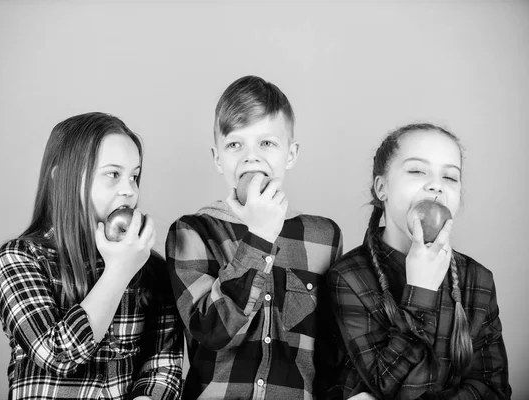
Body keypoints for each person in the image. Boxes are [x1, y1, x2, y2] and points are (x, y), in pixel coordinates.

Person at [166, 75, 343, 399]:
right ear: (218, 157)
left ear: (290, 154)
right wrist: (259, 237)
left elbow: (332, 352)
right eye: (236, 144)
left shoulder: (323, 238)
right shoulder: (192, 232)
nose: (251, 156)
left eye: (267, 143)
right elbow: (212, 330)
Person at [0, 112, 183, 400]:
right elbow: (56, 355)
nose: (129, 190)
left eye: (134, 176)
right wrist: (118, 273)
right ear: (62, 180)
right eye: (113, 174)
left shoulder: (151, 267)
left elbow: (162, 367)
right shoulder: (20, 259)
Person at [328, 123, 511, 399]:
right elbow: (387, 385)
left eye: (450, 177)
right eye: (416, 171)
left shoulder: (478, 280)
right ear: (382, 188)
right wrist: (420, 293)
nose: (436, 185)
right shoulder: (348, 277)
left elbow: (492, 390)